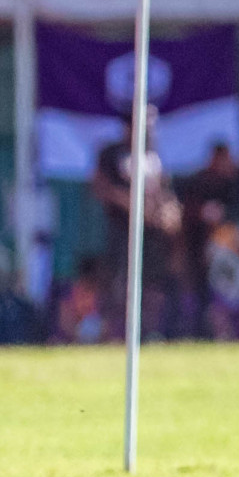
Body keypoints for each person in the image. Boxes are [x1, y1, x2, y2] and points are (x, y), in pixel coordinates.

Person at [91, 105, 183, 339]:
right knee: (120, 283)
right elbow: (102, 187)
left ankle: (150, 333)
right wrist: (134, 207)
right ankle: (115, 335)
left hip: (153, 235)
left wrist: (168, 212)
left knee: (153, 283)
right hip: (122, 230)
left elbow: (166, 190)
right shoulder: (113, 154)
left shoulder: (154, 154)